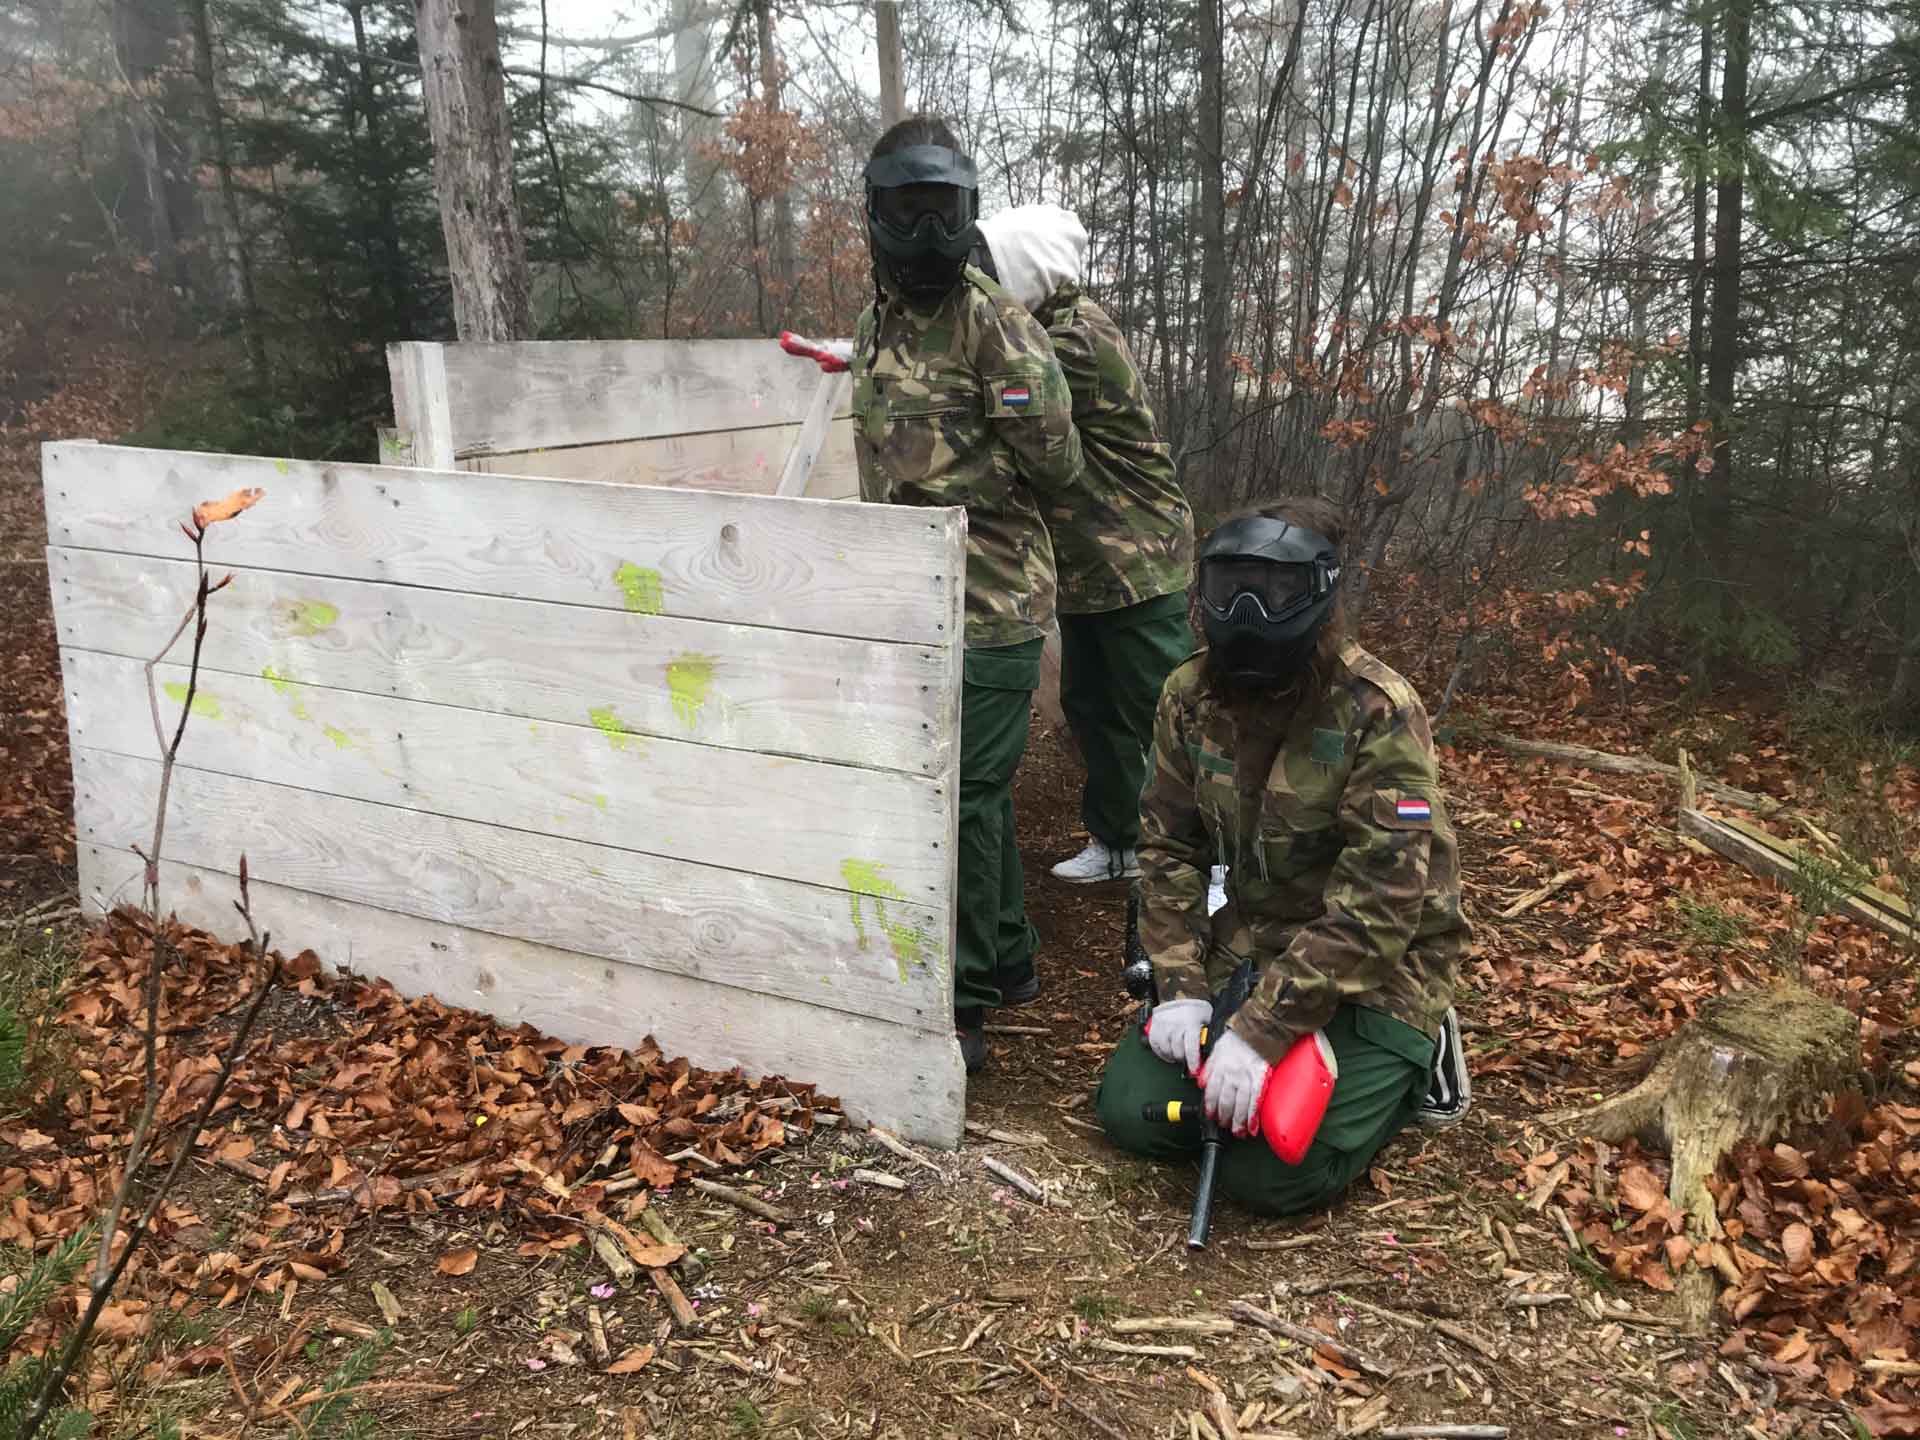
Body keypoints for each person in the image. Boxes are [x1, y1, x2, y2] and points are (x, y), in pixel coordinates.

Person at [1094, 498, 1470, 1214]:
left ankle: (1425, 1051)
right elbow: (1168, 847)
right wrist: (1180, 985)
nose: (1249, 611)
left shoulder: (1377, 710)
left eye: (1276, 590)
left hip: (1381, 966)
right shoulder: (1189, 695)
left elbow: (1381, 906)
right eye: (1231, 586)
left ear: (1321, 593)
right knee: (1132, 1115)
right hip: (1251, 942)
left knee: (1268, 1175)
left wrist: (1261, 1032)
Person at [847, 118, 1084, 1074]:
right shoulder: (876, 324)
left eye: (941, 211)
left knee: (970, 798)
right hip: (912, 601)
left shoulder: (999, 328)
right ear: (877, 214)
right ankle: (1013, 953)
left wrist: (975, 488)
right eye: (907, 211)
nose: (925, 234)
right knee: (965, 793)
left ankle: (965, 993)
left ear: (967, 212)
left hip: (992, 601)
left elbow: (1059, 464)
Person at [971, 205, 1195, 886]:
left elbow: (980, 386)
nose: (981, 283)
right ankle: (1119, 841)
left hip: (1138, 561)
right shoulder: (1038, 330)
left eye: (992, 269)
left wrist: (875, 360)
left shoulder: (1072, 340)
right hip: (1088, 566)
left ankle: (1208, 858)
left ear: (1026, 271)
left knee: (1168, 716)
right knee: (1094, 710)